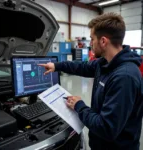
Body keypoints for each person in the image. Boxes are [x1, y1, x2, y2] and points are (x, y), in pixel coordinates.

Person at [38, 13, 143, 150]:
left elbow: (107, 128)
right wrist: (56, 66)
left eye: (92, 39)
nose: (90, 43)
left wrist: (79, 106)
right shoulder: (105, 63)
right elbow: (82, 67)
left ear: (103, 41)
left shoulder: (124, 77)